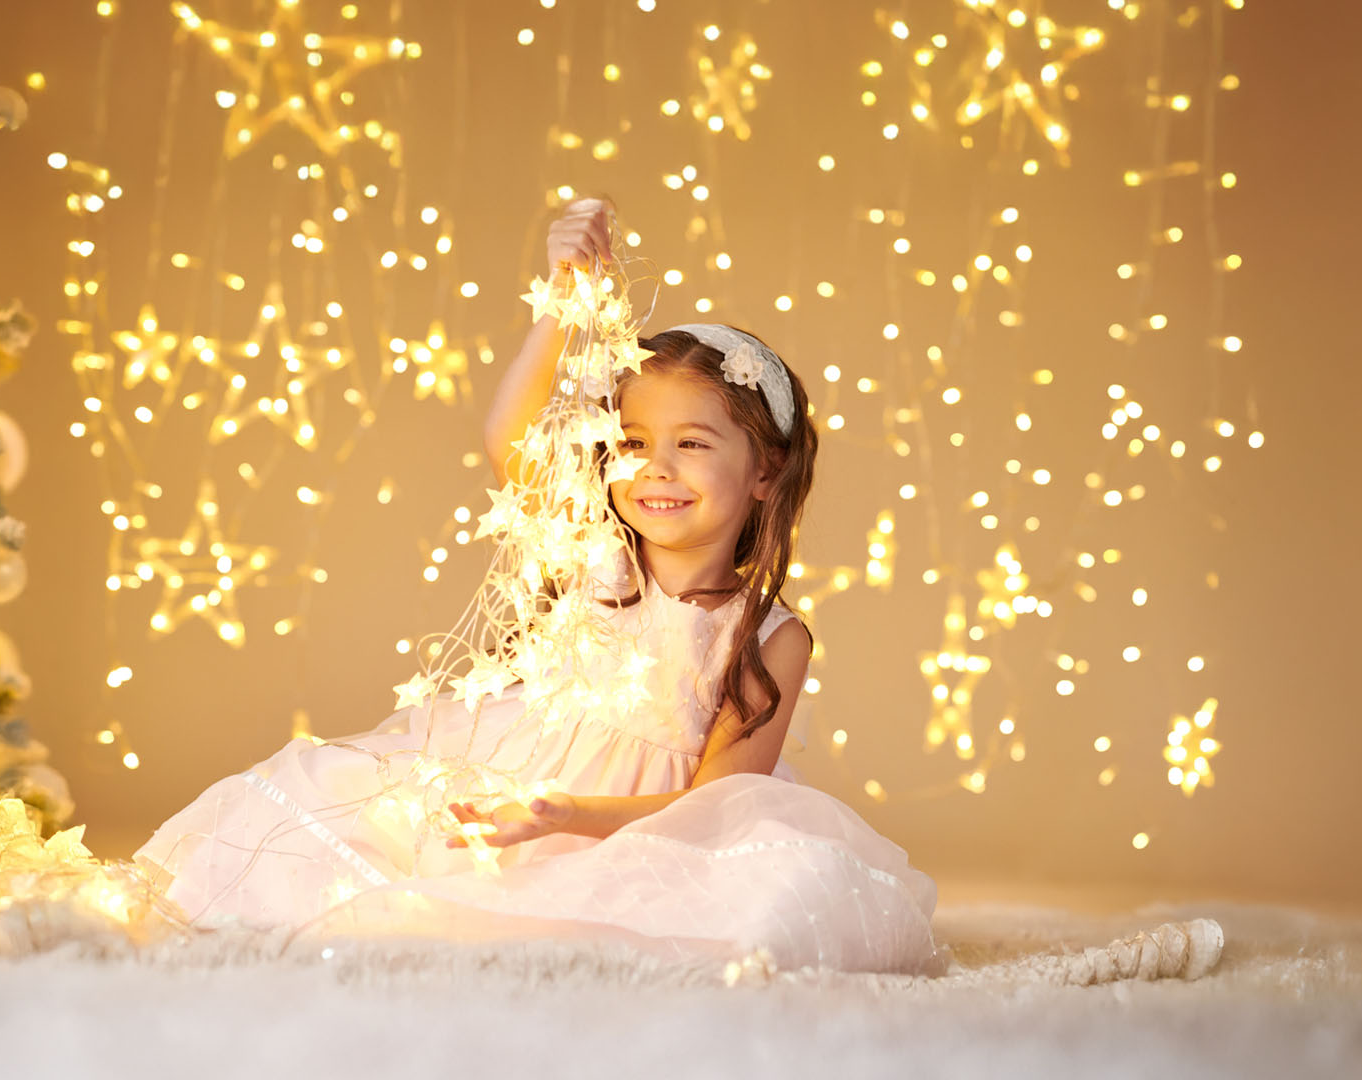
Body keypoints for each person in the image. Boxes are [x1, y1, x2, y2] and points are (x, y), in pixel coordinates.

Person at [129, 198, 937, 973]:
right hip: (506, 785)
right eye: (632, 440)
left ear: (765, 469)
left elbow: (717, 807)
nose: (654, 466)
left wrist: (569, 817)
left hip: (635, 834)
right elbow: (506, 434)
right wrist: (563, 299)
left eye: (692, 443)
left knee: (775, 898)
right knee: (320, 819)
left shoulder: (769, 637)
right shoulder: (599, 555)